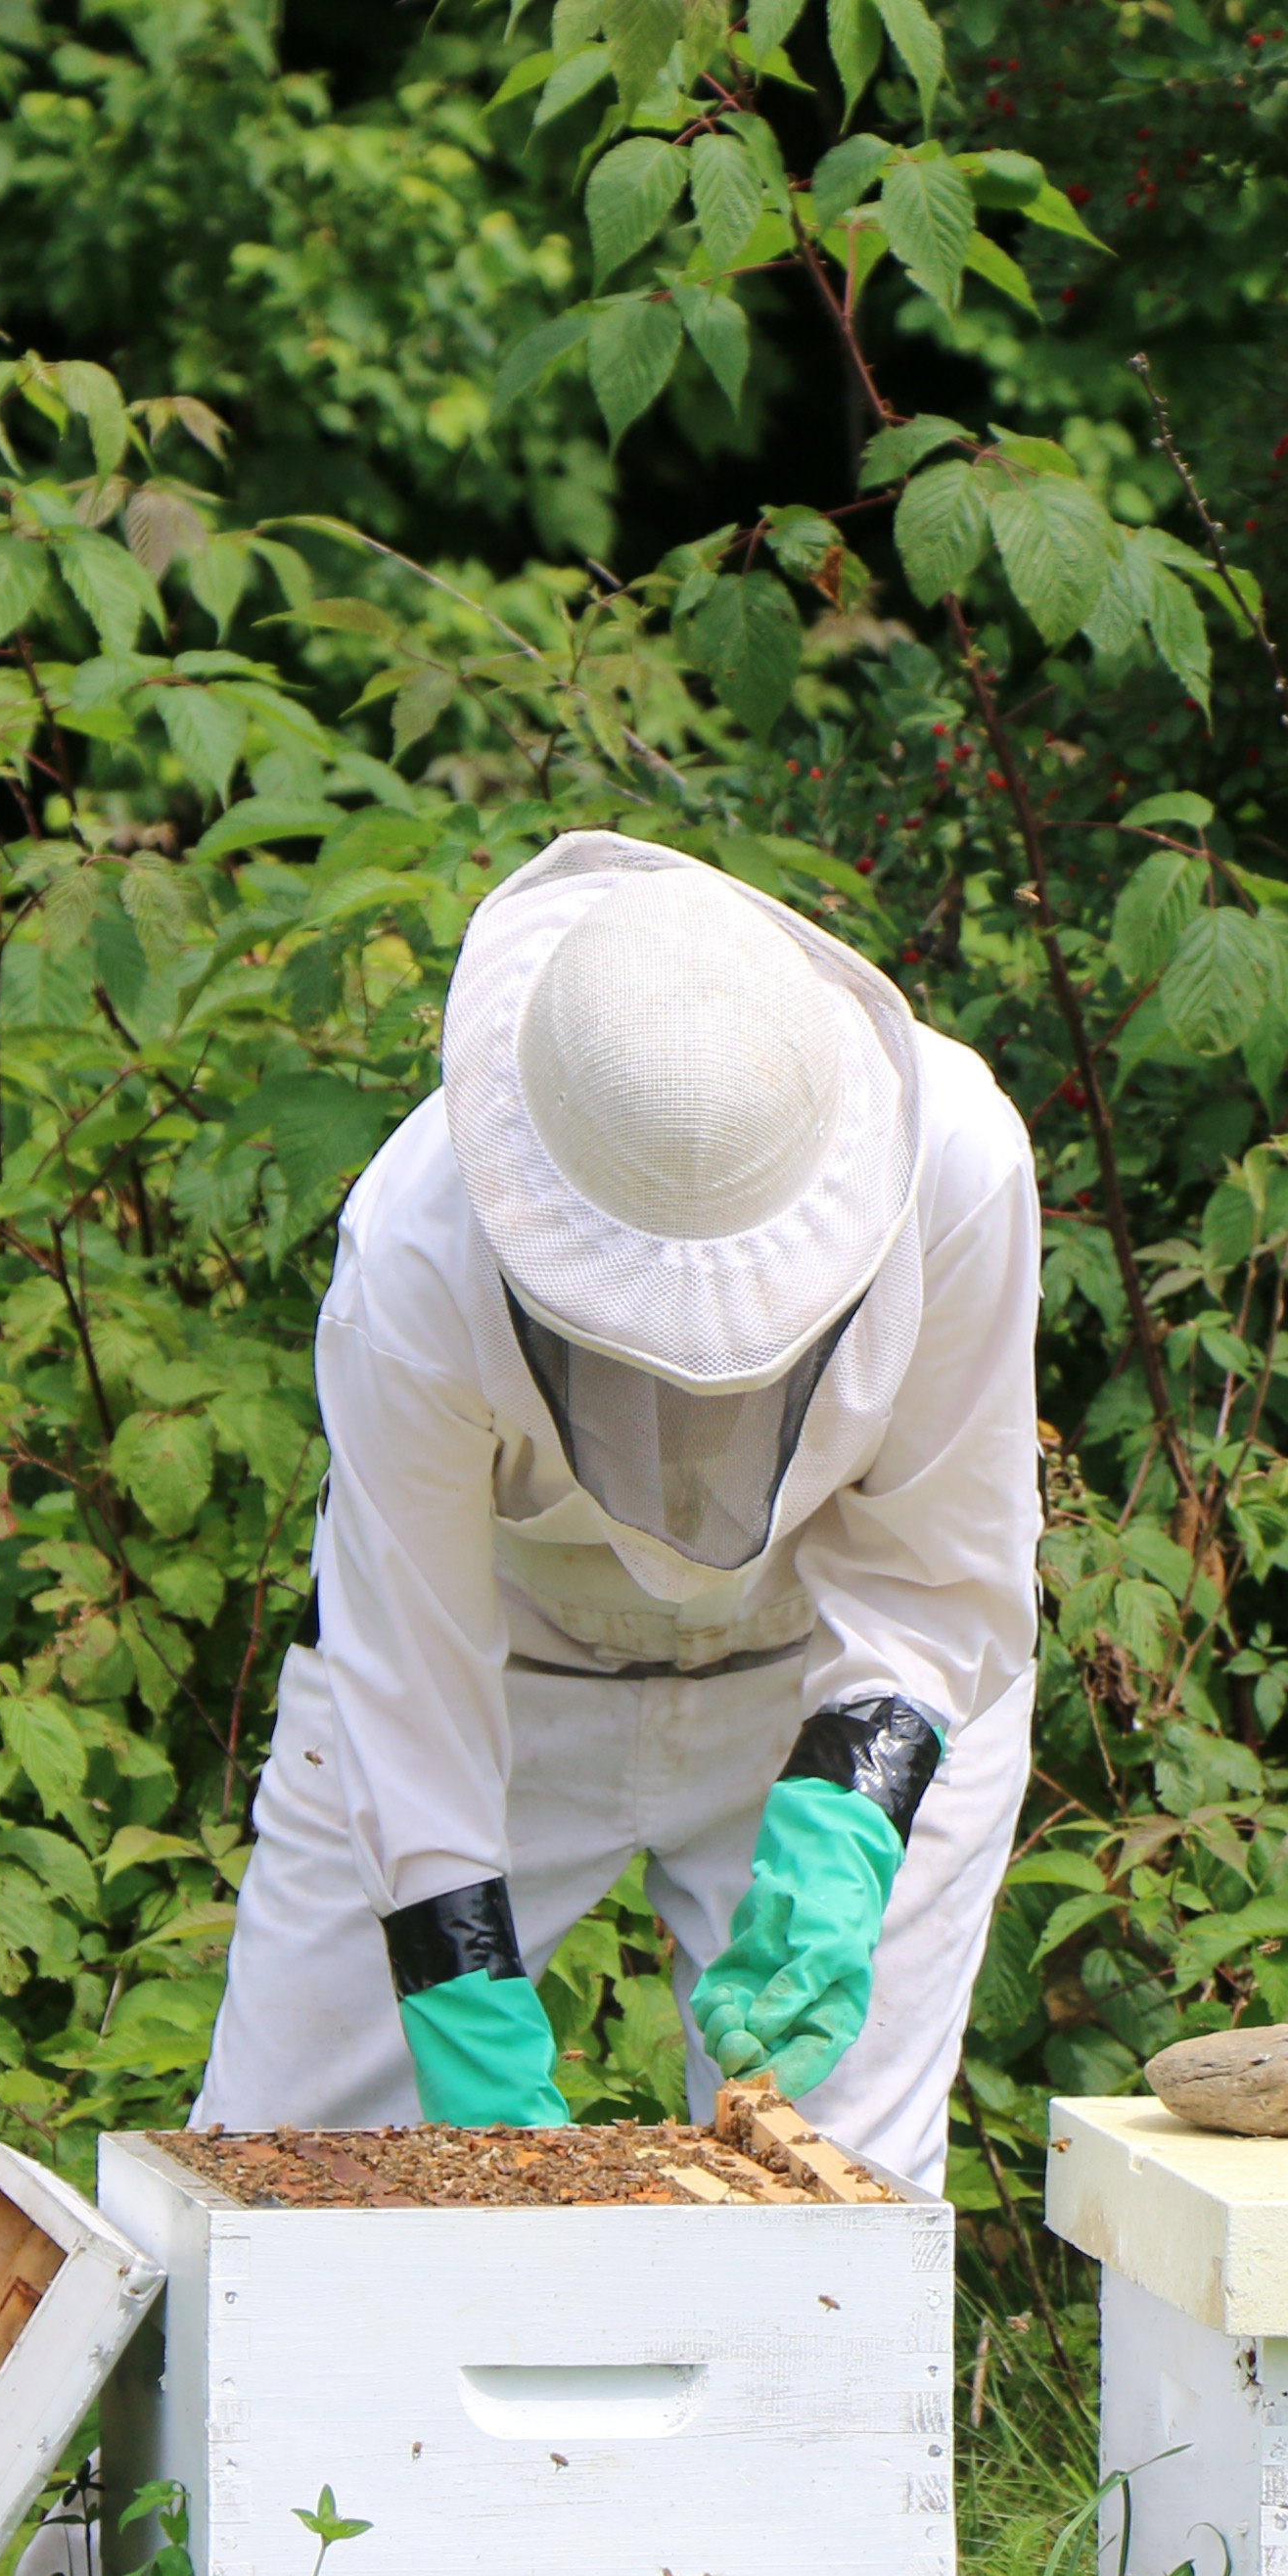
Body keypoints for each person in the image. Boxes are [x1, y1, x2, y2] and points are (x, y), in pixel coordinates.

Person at [188, 829, 1041, 2196]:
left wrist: (850, 1826)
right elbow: (404, 1660)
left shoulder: (958, 1162)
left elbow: (943, 1562)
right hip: (499, 1682)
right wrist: (461, 1999)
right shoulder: (415, 1247)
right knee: (284, 2172)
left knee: (839, 2192)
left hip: (829, 1669)